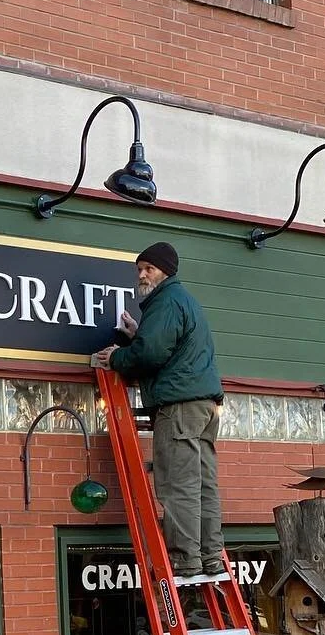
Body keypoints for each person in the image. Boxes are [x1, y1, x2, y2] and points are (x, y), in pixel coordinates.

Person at [91, 241, 225, 582]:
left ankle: (184, 561)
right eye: (139, 269)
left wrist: (117, 357)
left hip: (178, 407)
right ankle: (210, 558)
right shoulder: (183, 302)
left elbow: (151, 354)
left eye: (148, 269)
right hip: (204, 408)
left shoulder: (165, 301)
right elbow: (165, 344)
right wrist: (138, 334)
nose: (142, 275)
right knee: (203, 486)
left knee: (177, 485)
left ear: (165, 271)